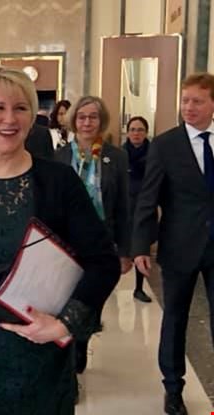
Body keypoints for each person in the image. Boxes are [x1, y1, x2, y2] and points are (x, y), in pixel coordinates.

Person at [0, 67, 120, 414]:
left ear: (32, 118)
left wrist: (64, 323)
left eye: (21, 108)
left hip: (37, 350)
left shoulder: (59, 182)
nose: (9, 119)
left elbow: (103, 262)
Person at [132, 72, 214, 415]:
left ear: (213, 104)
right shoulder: (166, 145)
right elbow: (148, 198)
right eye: (185, 101)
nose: (188, 107)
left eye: (197, 101)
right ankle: (173, 388)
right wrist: (139, 246)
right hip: (180, 246)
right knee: (176, 319)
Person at [54, 96, 131, 376]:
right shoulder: (60, 156)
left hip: (100, 242)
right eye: (82, 117)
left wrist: (125, 250)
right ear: (74, 120)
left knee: (90, 301)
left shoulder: (116, 156)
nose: (87, 122)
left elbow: (123, 206)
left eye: (93, 117)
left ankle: (80, 347)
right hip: (65, 241)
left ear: (102, 121)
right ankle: (66, 357)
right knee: (63, 298)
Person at [123, 116, 152, 303]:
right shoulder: (119, 154)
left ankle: (139, 288)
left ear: (146, 132)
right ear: (127, 132)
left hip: (144, 206)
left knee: (142, 248)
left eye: (140, 130)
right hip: (124, 205)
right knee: (121, 248)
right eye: (133, 129)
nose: (136, 133)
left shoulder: (155, 153)